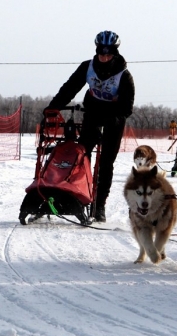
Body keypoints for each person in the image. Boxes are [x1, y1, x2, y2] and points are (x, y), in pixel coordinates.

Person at [43, 30, 135, 223]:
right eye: (102, 53)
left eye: (109, 54)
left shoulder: (124, 76)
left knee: (106, 162)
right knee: (82, 154)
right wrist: (53, 108)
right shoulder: (88, 67)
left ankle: (99, 204)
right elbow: (69, 88)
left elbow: (127, 108)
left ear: (115, 54)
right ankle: (78, 195)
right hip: (93, 112)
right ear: (97, 51)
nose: (105, 57)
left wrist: (115, 119)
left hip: (114, 117)